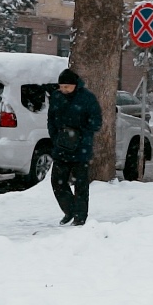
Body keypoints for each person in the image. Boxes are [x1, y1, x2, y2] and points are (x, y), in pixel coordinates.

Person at [47, 68, 102, 226]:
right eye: (61, 87)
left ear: (75, 85)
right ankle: (70, 210)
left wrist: (79, 132)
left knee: (81, 185)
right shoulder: (56, 97)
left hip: (81, 148)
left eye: (67, 87)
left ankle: (80, 217)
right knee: (57, 182)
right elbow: (51, 119)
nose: (63, 90)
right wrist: (56, 137)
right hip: (61, 146)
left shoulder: (87, 98)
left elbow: (96, 122)